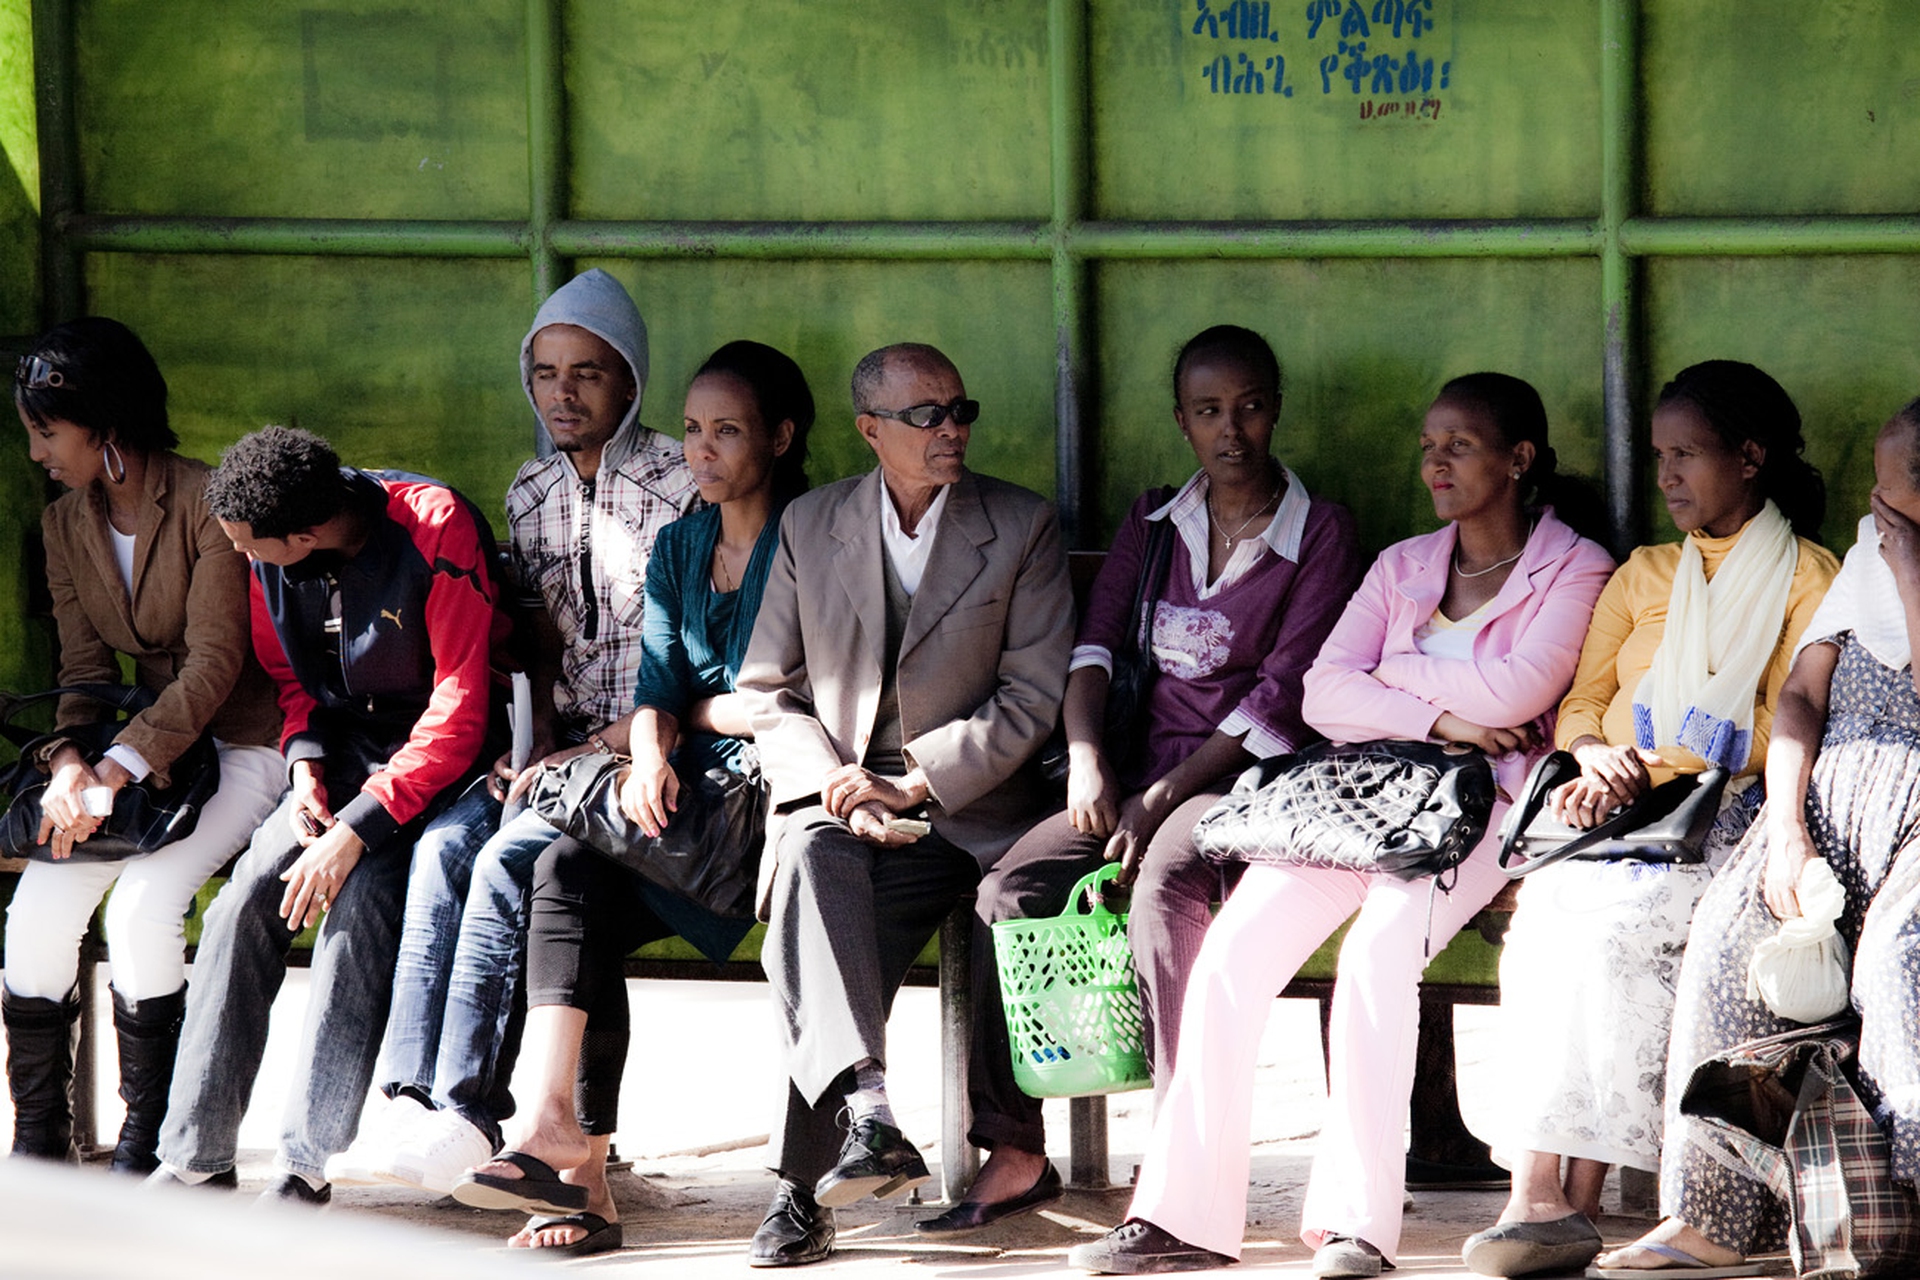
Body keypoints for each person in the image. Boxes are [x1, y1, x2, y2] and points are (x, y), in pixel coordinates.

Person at [1070, 373, 1615, 1277]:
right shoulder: (1405, 562)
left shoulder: (1576, 566)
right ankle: (1180, 1218)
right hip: (1355, 801)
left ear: (1519, 459)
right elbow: (1325, 693)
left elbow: (1520, 693)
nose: (1435, 461)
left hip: (1475, 812)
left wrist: (1398, 683)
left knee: (1378, 953)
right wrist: (1450, 720)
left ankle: (1357, 1225)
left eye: (1462, 445)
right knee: (1233, 955)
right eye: (1429, 442)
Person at [920, 325, 1362, 1233]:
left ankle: (1179, 1149)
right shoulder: (1154, 522)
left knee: (1167, 885)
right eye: (1208, 411)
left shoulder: (1319, 530)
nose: (1230, 428)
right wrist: (1088, 758)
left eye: (1247, 407)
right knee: (1009, 887)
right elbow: (1093, 647)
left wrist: (1163, 799)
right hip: (1128, 777)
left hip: (1242, 785)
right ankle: (1014, 1147)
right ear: (1181, 421)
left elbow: (1281, 697)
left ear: (1273, 410)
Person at [323, 267, 698, 1194]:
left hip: (650, 749)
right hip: (555, 752)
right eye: (544, 372)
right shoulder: (528, 490)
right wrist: (520, 744)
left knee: (515, 867)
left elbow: (688, 662)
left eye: (589, 373)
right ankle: (415, 1096)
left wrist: (584, 749)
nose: (563, 393)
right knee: (444, 850)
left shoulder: (683, 480)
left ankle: (472, 1109)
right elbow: (531, 647)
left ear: (631, 381)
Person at [1463, 361, 1836, 1278]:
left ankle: (1570, 1202)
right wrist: (1597, 758)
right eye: (1658, 457)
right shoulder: (1643, 573)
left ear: (1749, 459)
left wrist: (1673, 747)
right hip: (1618, 815)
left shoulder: (1807, 576)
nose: (1666, 476)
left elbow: (1793, 718)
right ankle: (1539, 1194)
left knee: (1620, 932)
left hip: (1730, 817)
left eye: (1686, 455)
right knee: (1547, 922)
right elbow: (1584, 704)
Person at [443, 340, 813, 1257]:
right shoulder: (681, 543)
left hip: (775, 802)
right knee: (568, 868)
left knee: (574, 875)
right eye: (691, 431)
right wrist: (650, 753)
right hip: (684, 799)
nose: (701, 451)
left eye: (726, 432)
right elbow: (657, 681)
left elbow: (785, 698)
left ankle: (573, 1163)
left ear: (781, 436)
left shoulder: (812, 535)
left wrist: (678, 722)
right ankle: (558, 1140)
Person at [733, 342, 1074, 1267]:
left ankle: (808, 1180)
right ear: (870, 430)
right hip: (842, 799)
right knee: (813, 872)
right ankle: (862, 1121)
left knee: (818, 926)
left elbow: (1035, 695)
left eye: (961, 410)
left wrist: (915, 781)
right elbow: (766, 689)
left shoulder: (1022, 523)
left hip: (968, 809)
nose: (951, 430)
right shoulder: (811, 523)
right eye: (926, 416)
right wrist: (840, 791)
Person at [1592, 401, 1920, 1278]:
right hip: (1827, 793)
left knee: (1899, 966)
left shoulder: (1898, 558)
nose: (1875, 507)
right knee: (1725, 945)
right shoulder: (1866, 555)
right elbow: (1804, 699)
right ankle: (1709, 1217)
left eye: (1892, 492)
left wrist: (1913, 566)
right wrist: (1784, 834)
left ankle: (1900, 1211)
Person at [149, 425, 511, 1204]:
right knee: (244, 903)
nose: (243, 559)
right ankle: (194, 1157)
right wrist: (305, 764)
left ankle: (306, 1163)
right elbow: (288, 675)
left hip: (439, 772)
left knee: (359, 910)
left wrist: (356, 830)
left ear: (306, 534)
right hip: (339, 761)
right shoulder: (265, 547)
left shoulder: (435, 523)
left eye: (252, 547)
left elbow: (460, 711)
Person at [3, 318, 285, 1173]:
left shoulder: (206, 501)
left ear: (105, 425)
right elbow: (82, 668)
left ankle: (152, 1137)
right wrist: (66, 766)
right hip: (138, 759)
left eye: (47, 433)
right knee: (37, 912)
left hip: (240, 743)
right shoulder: (64, 527)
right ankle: (40, 1141)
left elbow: (213, 663)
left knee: (142, 908)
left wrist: (114, 769)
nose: (36, 453)